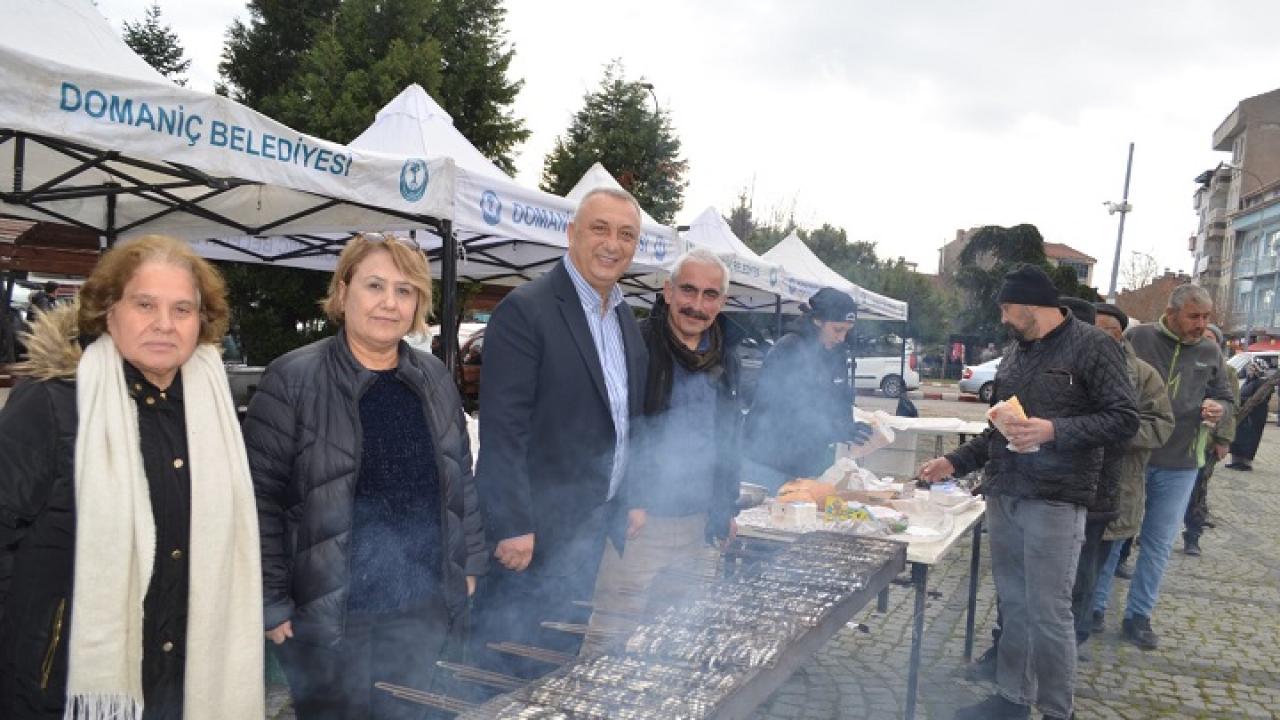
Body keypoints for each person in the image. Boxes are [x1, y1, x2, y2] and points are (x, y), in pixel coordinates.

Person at [0, 235, 264, 720]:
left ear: (201, 323)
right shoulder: (52, 405)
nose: (164, 324)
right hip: (64, 690)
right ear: (108, 311)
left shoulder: (211, 412)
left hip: (182, 685)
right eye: (145, 304)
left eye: (182, 309)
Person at [245, 234, 482, 719]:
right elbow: (257, 499)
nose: (389, 303)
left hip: (418, 608)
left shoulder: (435, 378)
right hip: (329, 617)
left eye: (405, 290)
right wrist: (270, 601)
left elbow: (461, 478)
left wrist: (471, 562)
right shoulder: (293, 378)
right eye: (375, 285)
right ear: (343, 290)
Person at [918, 265, 1138, 720]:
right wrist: (954, 461)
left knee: (1049, 611)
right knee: (1013, 604)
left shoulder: (1094, 346)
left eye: (1005, 308)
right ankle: (1011, 700)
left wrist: (1054, 430)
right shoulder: (1015, 354)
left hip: (1058, 498)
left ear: (1030, 305)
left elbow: (1124, 419)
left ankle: (1059, 711)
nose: (1001, 318)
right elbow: (997, 429)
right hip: (1007, 495)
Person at [469, 188, 649, 677]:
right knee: (508, 664)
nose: (613, 244)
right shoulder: (526, 310)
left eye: (626, 234)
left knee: (558, 660)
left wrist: (627, 495)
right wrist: (511, 524)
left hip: (591, 530)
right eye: (600, 229)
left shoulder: (625, 318)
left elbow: (624, 420)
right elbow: (503, 431)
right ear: (571, 234)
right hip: (535, 536)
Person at [581, 248, 742, 656]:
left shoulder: (727, 354)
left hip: (699, 523)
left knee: (674, 642)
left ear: (721, 302)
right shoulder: (633, 343)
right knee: (610, 640)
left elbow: (729, 435)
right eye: (688, 290)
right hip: (641, 523)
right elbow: (609, 427)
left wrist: (727, 506)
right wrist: (630, 498)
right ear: (667, 291)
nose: (697, 304)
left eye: (710, 295)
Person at [1109, 284, 1233, 650]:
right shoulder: (1138, 337)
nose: (1202, 324)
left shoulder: (1210, 350)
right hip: (1134, 458)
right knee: (1115, 535)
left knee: (1158, 544)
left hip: (1181, 462)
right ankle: (1096, 607)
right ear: (1172, 311)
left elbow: (1225, 395)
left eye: (1207, 317)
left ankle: (1138, 616)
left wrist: (1218, 407)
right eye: (1195, 316)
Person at [1088, 303, 1175, 635]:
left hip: (1119, 483)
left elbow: (1161, 425)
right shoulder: (1068, 365)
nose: (1097, 335)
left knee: (1103, 558)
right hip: (1065, 486)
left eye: (1106, 329)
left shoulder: (1143, 375)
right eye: (1090, 327)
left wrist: (1117, 434)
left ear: (1120, 333)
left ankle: (1091, 613)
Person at [742, 287, 873, 491]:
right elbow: (782, 412)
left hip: (807, 465)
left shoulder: (836, 354)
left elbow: (840, 400)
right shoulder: (788, 349)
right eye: (837, 329)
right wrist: (834, 430)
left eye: (847, 331)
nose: (842, 338)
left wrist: (850, 428)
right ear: (817, 321)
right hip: (767, 464)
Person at [1180, 324, 1237, 556]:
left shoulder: (1228, 372)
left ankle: (1193, 535)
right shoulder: (1187, 362)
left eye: (1211, 338)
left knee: (1198, 489)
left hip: (1207, 442)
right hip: (1179, 438)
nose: (1206, 341)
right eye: (1203, 336)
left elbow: (1231, 408)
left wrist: (1224, 439)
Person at [1226, 359, 1275, 470]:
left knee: (1249, 439)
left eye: (1253, 368)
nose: (1250, 370)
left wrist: (1241, 400)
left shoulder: (1262, 383)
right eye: (1250, 367)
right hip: (1244, 413)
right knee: (1239, 437)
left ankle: (1245, 463)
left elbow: (1259, 400)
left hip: (1254, 415)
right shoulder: (1249, 380)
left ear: (1258, 370)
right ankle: (1236, 461)